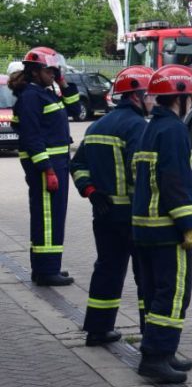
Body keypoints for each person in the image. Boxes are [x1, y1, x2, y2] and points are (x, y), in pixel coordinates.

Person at [131, 64, 192, 383]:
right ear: (180, 98)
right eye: (190, 95)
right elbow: (175, 180)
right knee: (173, 294)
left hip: (145, 228)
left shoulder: (152, 126)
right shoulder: (174, 130)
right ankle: (157, 356)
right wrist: (187, 223)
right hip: (167, 229)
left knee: (153, 292)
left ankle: (161, 350)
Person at [70, 65, 154, 346]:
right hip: (132, 215)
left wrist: (91, 190)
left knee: (107, 269)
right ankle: (150, 335)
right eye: (149, 95)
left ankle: (98, 329)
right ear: (135, 96)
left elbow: (78, 164)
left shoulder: (96, 126)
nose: (152, 100)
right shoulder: (138, 127)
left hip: (103, 213)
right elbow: (139, 173)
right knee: (145, 275)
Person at [9, 46, 82, 286]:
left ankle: (49, 267)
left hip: (58, 165)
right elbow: (31, 137)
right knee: (47, 219)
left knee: (54, 217)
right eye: (50, 70)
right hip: (46, 167)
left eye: (55, 70)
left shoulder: (46, 92)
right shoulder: (31, 97)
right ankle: (45, 271)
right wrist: (47, 169)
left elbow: (76, 109)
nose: (53, 74)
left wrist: (63, 82)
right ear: (35, 71)